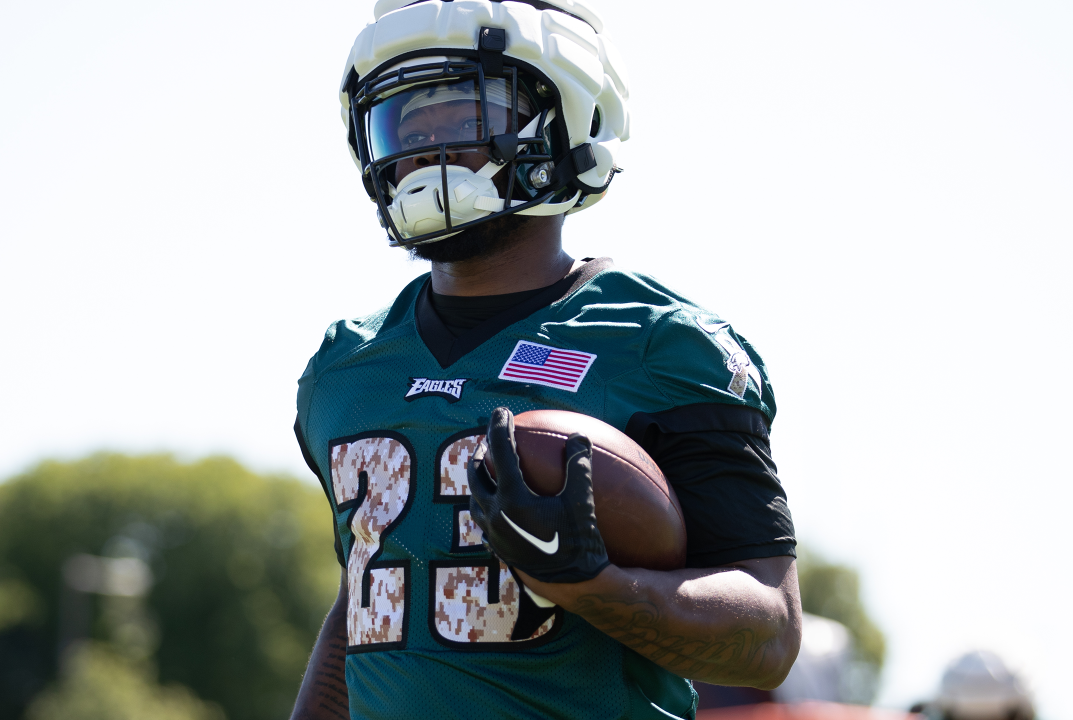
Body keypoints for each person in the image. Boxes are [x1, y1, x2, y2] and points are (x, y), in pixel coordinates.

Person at [290, 1, 802, 718]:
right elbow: (371, 603)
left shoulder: (663, 344)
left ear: (564, 117)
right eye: (403, 123)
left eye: (461, 116)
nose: (420, 152)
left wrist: (591, 585)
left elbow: (770, 635)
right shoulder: (347, 367)